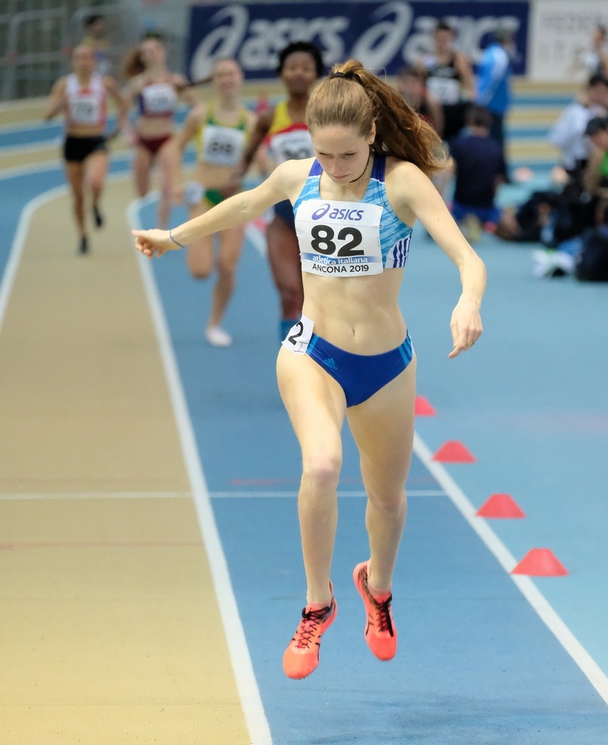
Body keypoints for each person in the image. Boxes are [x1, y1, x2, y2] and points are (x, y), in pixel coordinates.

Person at [133, 59, 486, 681]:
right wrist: (175, 236)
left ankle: (376, 587)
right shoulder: (299, 176)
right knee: (322, 465)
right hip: (313, 351)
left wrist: (469, 301)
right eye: (324, 153)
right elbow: (244, 203)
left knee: (387, 499)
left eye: (347, 155)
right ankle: (317, 604)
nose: (335, 166)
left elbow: (467, 257)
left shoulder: (402, 182)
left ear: (372, 135)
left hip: (386, 364)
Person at [233, 41, 324, 341]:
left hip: (323, 218)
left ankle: (317, 356)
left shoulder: (327, 115)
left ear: (316, 74)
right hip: (284, 216)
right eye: (292, 67)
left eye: (306, 68)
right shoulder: (269, 118)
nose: (298, 73)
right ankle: (289, 355)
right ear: (281, 73)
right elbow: (246, 159)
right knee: (289, 293)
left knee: (317, 301)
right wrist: (234, 181)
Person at [171, 57, 254, 347]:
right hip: (204, 197)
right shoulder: (200, 115)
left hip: (234, 200)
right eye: (220, 75)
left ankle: (214, 323)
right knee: (200, 271)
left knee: (228, 267)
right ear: (214, 81)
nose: (226, 79)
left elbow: (262, 159)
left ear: (240, 78)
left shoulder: (251, 121)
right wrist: (176, 183)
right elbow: (176, 147)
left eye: (231, 74)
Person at [44, 43, 127, 254]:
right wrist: (60, 105)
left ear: (94, 61)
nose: (83, 62)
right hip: (73, 142)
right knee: (78, 196)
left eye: (86, 57)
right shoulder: (64, 85)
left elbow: (123, 103)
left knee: (95, 182)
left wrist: (119, 126)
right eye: (78, 58)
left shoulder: (105, 83)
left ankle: (96, 204)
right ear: (73, 62)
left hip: (96, 140)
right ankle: (82, 235)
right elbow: (47, 115)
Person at [124, 33, 196, 229]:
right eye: (146, 52)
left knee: (167, 189)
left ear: (163, 53)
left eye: (155, 50)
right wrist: (128, 133)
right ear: (142, 57)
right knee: (142, 192)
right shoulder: (137, 83)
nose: (152, 54)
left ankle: (161, 230)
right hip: (143, 141)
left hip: (167, 139)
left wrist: (186, 132)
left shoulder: (176, 81)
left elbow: (197, 107)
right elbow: (123, 115)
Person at [448, 105, 507, 240]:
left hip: (461, 204)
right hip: (486, 207)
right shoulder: (497, 148)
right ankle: (486, 223)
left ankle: (464, 222)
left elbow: (448, 173)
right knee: (505, 220)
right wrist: (491, 200)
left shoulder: (458, 144)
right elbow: (498, 181)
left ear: (469, 121)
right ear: (489, 122)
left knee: (447, 214)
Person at [547, 73, 608, 180]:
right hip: (576, 162)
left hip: (598, 163)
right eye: (598, 91)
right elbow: (557, 139)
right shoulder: (574, 111)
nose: (600, 96)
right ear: (588, 89)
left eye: (604, 92)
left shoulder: (603, 112)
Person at [421, 20, 474, 141]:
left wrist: (470, 98)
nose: (442, 41)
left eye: (445, 38)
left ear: (451, 38)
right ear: (434, 38)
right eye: (439, 38)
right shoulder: (425, 61)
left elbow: (470, 83)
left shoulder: (458, 59)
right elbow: (420, 83)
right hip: (432, 109)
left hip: (452, 108)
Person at [474, 27, 514, 154]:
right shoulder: (499, 56)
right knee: (495, 139)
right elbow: (491, 81)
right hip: (492, 105)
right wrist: (481, 102)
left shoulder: (490, 53)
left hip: (492, 104)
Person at [397, 64, 444, 136]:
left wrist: (434, 106)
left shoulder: (430, 105)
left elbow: (438, 129)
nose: (410, 86)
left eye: (414, 82)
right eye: (407, 82)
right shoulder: (396, 104)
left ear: (423, 86)